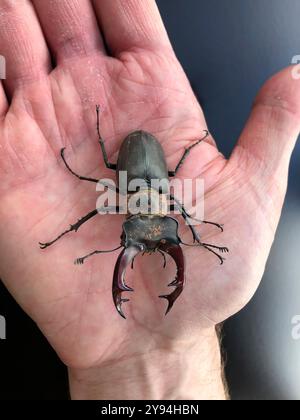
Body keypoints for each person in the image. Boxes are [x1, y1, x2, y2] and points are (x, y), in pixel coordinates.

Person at [0, 0, 299, 400]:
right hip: (143, 158)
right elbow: (114, 181)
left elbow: (107, 180)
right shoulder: (161, 197)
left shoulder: (128, 198)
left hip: (142, 159)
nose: (148, 233)